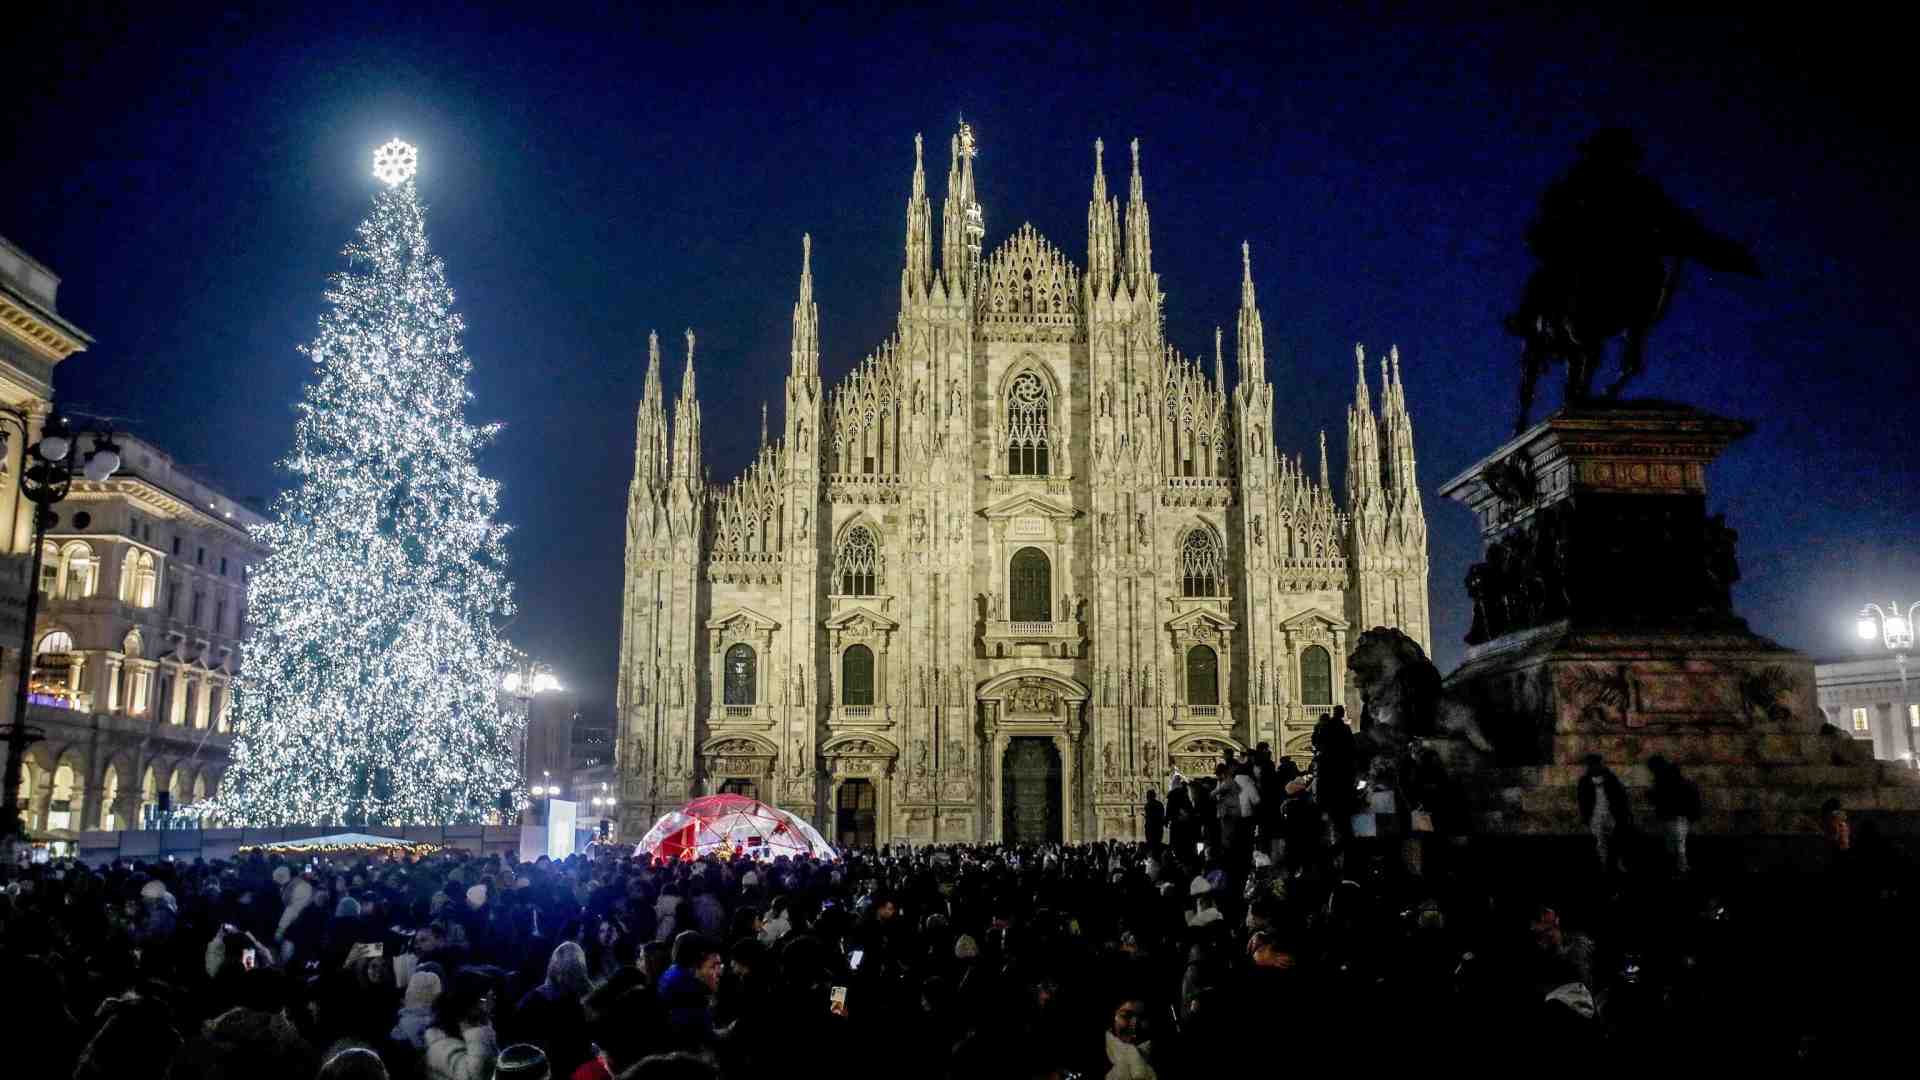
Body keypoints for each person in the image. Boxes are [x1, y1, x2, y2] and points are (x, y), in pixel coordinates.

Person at [1576, 754, 1631, 874]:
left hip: (1611, 814)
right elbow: (1582, 801)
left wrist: (1622, 813)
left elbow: (1620, 797)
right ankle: (1604, 864)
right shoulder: (1585, 781)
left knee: (1617, 839)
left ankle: (1617, 863)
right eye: (1593, 764)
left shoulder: (1610, 778)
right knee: (1600, 842)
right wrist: (1585, 815)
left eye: (1597, 764)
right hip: (1595, 815)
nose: (1596, 766)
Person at [1647, 755, 1701, 876]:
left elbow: (1661, 797)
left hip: (1674, 815)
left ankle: (1680, 869)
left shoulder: (1664, 779)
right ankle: (1680, 869)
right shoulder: (1672, 777)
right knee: (1678, 845)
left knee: (1676, 845)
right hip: (1677, 815)